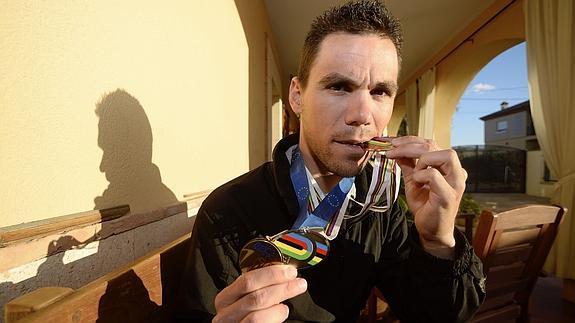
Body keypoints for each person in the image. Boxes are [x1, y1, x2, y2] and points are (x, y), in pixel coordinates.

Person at [177, 1, 485, 322]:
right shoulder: (228, 211)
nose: (363, 116)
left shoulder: (380, 204)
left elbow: (434, 315)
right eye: (339, 86)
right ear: (297, 96)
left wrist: (438, 241)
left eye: (380, 92)